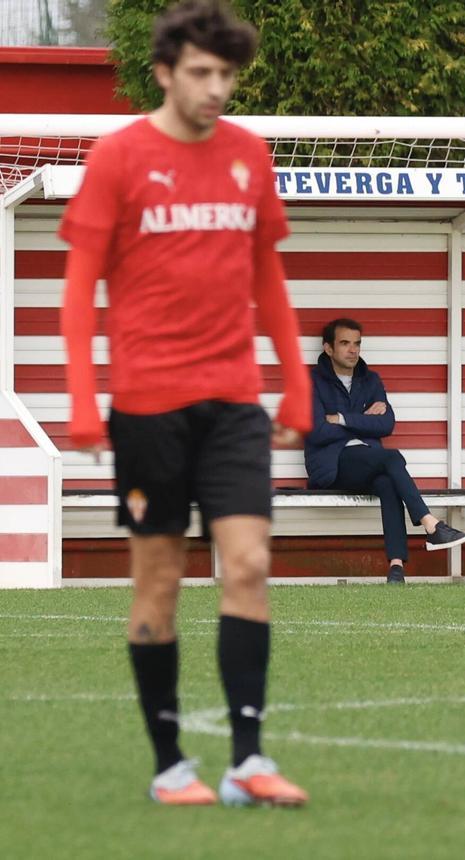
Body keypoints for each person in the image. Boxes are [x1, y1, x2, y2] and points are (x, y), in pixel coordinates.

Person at [59, 0, 311, 808]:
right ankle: (171, 764)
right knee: (158, 583)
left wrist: (296, 380)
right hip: (148, 405)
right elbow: (77, 288)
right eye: (202, 72)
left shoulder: (249, 156)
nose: (217, 88)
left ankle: (247, 759)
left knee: (250, 564)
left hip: (235, 400)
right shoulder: (119, 156)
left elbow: (265, 277)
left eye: (228, 74)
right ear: (166, 71)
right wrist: (82, 402)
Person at [304, 318, 465, 583]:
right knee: (391, 458)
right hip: (332, 464)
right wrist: (362, 418)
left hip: (369, 462)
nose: (353, 350)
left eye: (357, 343)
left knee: (387, 482)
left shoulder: (370, 380)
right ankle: (430, 523)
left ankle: (396, 567)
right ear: (328, 348)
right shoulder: (311, 380)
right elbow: (316, 431)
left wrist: (341, 418)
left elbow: (386, 424)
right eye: (345, 343)